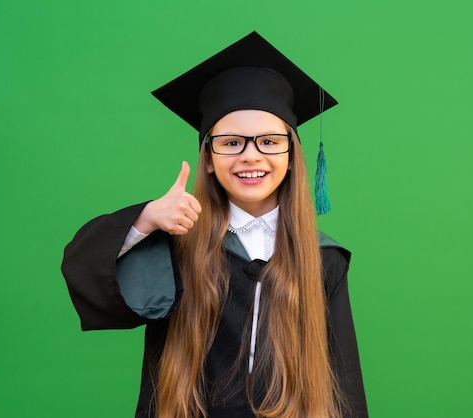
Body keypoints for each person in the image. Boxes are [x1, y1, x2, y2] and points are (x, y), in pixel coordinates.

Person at [61, 31, 368, 418]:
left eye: (270, 142)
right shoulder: (175, 245)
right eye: (231, 142)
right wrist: (146, 219)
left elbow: (344, 382)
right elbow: (86, 274)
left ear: (292, 156)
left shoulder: (324, 259)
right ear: (208, 157)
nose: (250, 156)